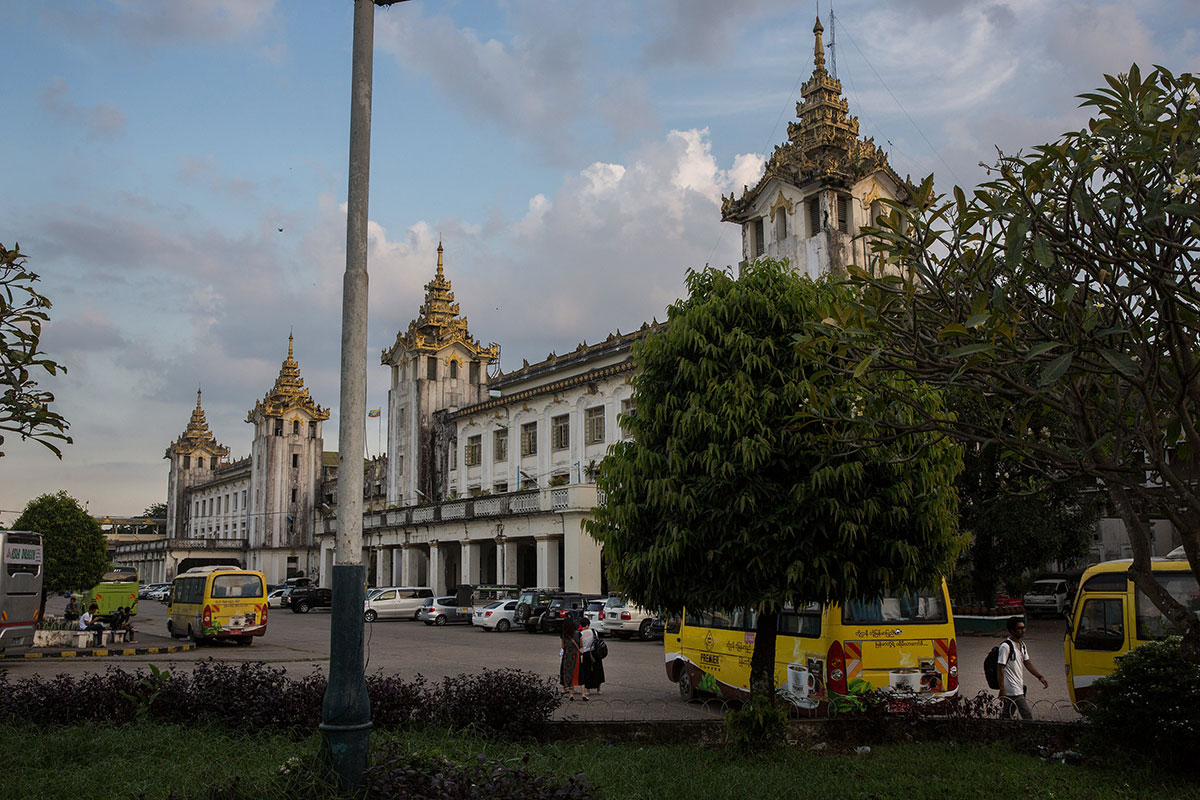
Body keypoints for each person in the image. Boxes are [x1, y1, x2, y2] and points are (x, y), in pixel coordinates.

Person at [997, 616, 1048, 720]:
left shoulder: (1022, 645)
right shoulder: (1006, 647)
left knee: (1006, 715)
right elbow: (1000, 668)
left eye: (1023, 628)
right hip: (1011, 688)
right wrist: (1002, 689)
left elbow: (1027, 663)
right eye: (1019, 628)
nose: (1023, 631)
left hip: (1018, 686)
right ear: (1011, 630)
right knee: (1027, 715)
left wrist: (1040, 676)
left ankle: (1001, 732)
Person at [578, 616, 604, 696]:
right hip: (595, 653)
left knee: (587, 671)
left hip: (586, 654)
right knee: (597, 670)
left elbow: (581, 646)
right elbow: (597, 641)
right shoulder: (594, 631)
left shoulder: (580, 634)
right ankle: (598, 689)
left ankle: (588, 690)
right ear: (588, 624)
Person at [559, 616, 583, 700]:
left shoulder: (563, 635)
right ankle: (581, 692)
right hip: (575, 655)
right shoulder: (578, 634)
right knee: (576, 672)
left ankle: (571, 692)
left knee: (568, 672)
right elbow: (581, 645)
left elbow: (562, 646)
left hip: (567, 655)